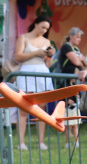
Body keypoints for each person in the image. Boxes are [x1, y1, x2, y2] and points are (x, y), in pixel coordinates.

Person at [12, 16, 55, 151]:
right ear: (36, 24)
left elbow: (48, 63)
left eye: (46, 29)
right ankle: (21, 142)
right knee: (24, 109)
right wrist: (36, 52)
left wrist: (50, 55)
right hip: (26, 72)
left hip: (42, 72)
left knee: (41, 109)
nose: (44, 30)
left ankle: (41, 142)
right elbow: (17, 56)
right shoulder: (23, 38)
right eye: (42, 27)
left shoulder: (47, 41)